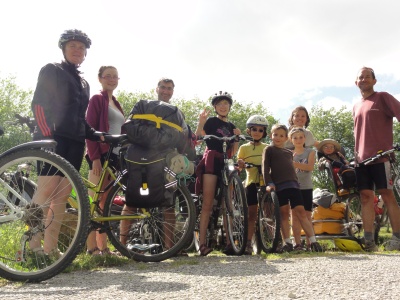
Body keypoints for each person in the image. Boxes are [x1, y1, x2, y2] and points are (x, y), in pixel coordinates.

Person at [30, 29, 100, 257]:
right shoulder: (53, 70)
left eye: (82, 48)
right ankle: (32, 246)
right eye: (73, 46)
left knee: (61, 196)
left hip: (75, 142)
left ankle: (50, 249)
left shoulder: (83, 82)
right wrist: (46, 137)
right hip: (53, 139)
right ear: (64, 48)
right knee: (45, 191)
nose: (78, 50)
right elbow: (39, 105)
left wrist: (97, 135)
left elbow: (80, 118)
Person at [353, 66, 400, 251]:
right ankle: (369, 241)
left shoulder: (383, 97)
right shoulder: (356, 105)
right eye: (360, 77)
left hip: (381, 157)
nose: (363, 80)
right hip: (361, 160)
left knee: (387, 195)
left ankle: (397, 238)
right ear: (356, 82)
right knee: (366, 198)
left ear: (374, 81)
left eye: (367, 77)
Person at [262, 124, 322, 252]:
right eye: (275, 135)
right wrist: (269, 183)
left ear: (286, 139)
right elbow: (265, 168)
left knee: (301, 212)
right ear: (271, 136)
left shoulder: (289, 153)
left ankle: (313, 241)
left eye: (281, 135)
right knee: (284, 214)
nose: (278, 138)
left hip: (294, 185)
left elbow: (293, 170)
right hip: (279, 186)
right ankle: (287, 242)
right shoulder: (269, 150)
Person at [195, 91, 241, 256]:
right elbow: (199, 135)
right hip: (212, 160)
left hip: (226, 162)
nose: (223, 107)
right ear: (215, 107)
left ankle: (230, 243)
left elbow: (234, 151)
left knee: (227, 204)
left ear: (229, 107)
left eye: (226, 104)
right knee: (208, 203)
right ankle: (201, 244)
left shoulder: (231, 126)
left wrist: (236, 137)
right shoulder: (212, 121)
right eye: (220, 104)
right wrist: (201, 122)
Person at [85, 66, 125, 256]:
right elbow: (90, 130)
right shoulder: (97, 100)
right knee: (93, 201)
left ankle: (104, 248)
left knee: (105, 204)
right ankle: (91, 249)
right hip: (99, 155)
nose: (111, 79)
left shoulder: (116, 103)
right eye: (107, 76)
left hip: (114, 157)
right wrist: (94, 159)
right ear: (100, 79)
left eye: (114, 76)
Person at [237, 115, 269, 255]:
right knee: (251, 215)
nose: (257, 132)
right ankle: (248, 243)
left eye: (260, 130)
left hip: (265, 183)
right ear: (249, 131)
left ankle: (275, 240)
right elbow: (239, 165)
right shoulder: (243, 148)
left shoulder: (267, 148)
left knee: (270, 213)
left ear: (264, 133)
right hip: (251, 182)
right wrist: (241, 164)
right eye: (254, 129)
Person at [289, 127, 316, 251]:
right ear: (291, 140)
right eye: (295, 138)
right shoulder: (288, 154)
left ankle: (311, 242)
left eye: (300, 137)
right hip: (293, 187)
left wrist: (295, 164)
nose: (298, 140)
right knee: (294, 216)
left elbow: (310, 167)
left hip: (306, 187)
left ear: (305, 138)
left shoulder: (310, 152)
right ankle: (297, 243)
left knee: (307, 215)